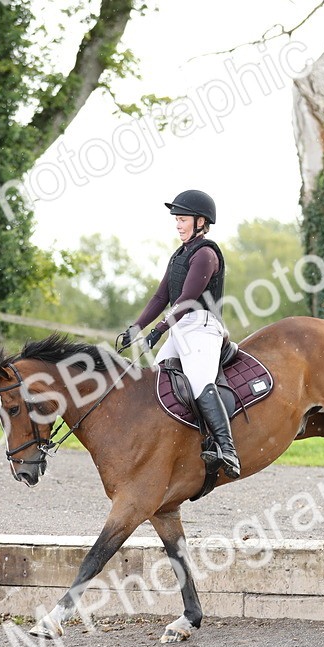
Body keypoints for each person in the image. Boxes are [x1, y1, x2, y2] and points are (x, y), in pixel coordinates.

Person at [118, 189, 241, 480]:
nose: (178, 224)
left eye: (183, 219)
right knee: (156, 380)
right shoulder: (180, 255)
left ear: (201, 222)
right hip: (181, 327)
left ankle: (227, 449)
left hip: (202, 327)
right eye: (177, 219)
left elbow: (186, 299)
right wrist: (136, 328)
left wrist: (158, 330)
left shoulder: (206, 255)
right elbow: (161, 297)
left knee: (198, 382)